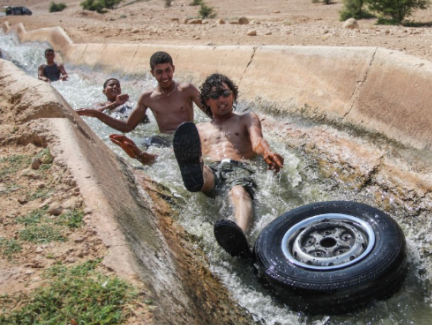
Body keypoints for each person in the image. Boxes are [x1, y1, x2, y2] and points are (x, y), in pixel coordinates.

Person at [173, 73, 284, 259]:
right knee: (202, 171)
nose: (221, 99)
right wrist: (139, 154)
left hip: (238, 167)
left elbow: (257, 141)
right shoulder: (198, 129)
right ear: (207, 101)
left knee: (239, 192)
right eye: (214, 96)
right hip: (211, 167)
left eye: (225, 93)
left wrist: (267, 152)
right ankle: (196, 176)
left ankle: (239, 236)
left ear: (233, 95)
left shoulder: (246, 118)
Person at [75, 51, 206, 164]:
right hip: (164, 140)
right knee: (142, 142)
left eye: (168, 70)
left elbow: (211, 113)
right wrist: (96, 113)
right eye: (159, 72)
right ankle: (141, 155)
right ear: (152, 73)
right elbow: (128, 126)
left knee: (171, 152)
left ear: (173, 68)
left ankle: (145, 157)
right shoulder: (148, 97)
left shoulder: (187, 90)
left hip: (186, 137)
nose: (165, 76)